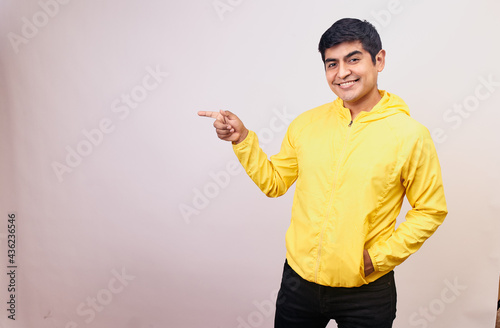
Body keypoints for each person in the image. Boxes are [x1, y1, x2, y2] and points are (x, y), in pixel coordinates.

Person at [198, 18, 447, 328]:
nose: (342, 73)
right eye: (332, 64)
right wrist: (242, 139)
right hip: (298, 283)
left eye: (353, 59)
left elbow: (430, 210)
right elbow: (274, 183)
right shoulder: (306, 125)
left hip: (367, 291)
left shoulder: (411, 135)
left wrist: (377, 259)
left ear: (378, 60)